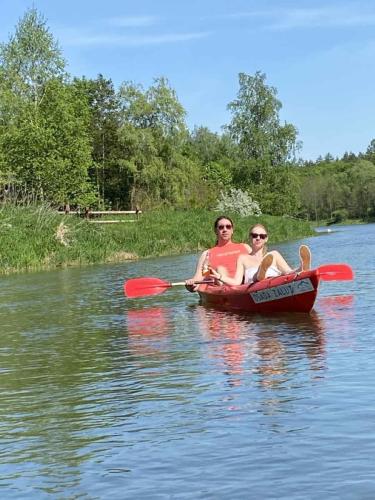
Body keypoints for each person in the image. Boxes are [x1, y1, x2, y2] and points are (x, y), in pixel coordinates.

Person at [209, 223, 311, 286]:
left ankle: (302, 268)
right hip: (255, 285)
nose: (258, 238)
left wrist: (297, 271)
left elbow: (288, 272)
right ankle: (260, 274)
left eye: (262, 236)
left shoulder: (273, 255)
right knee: (257, 276)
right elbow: (236, 282)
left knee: (289, 271)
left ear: (266, 239)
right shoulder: (243, 258)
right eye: (254, 236)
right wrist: (219, 276)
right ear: (250, 237)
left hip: (273, 281)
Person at [185, 215, 251, 292]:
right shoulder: (207, 255)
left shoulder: (245, 247)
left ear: (232, 230)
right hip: (223, 289)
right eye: (221, 227)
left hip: (244, 286)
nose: (225, 230)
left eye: (228, 227)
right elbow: (198, 280)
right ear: (216, 231)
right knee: (220, 269)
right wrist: (190, 284)